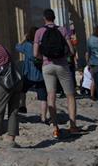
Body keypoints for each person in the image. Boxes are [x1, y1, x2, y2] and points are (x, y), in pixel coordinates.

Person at [33, 9, 80, 138]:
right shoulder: (63, 30)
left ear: (44, 18)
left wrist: (44, 57)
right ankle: (73, 126)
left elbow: (35, 53)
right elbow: (71, 50)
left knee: (51, 95)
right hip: (62, 65)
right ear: (54, 18)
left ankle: (55, 127)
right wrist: (63, 56)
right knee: (70, 95)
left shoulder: (39, 32)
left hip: (47, 66)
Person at [16, 26, 47, 123]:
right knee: (43, 98)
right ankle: (43, 117)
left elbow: (17, 47)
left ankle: (22, 106)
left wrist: (23, 39)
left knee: (22, 90)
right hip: (40, 74)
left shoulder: (27, 45)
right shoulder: (41, 45)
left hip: (28, 74)